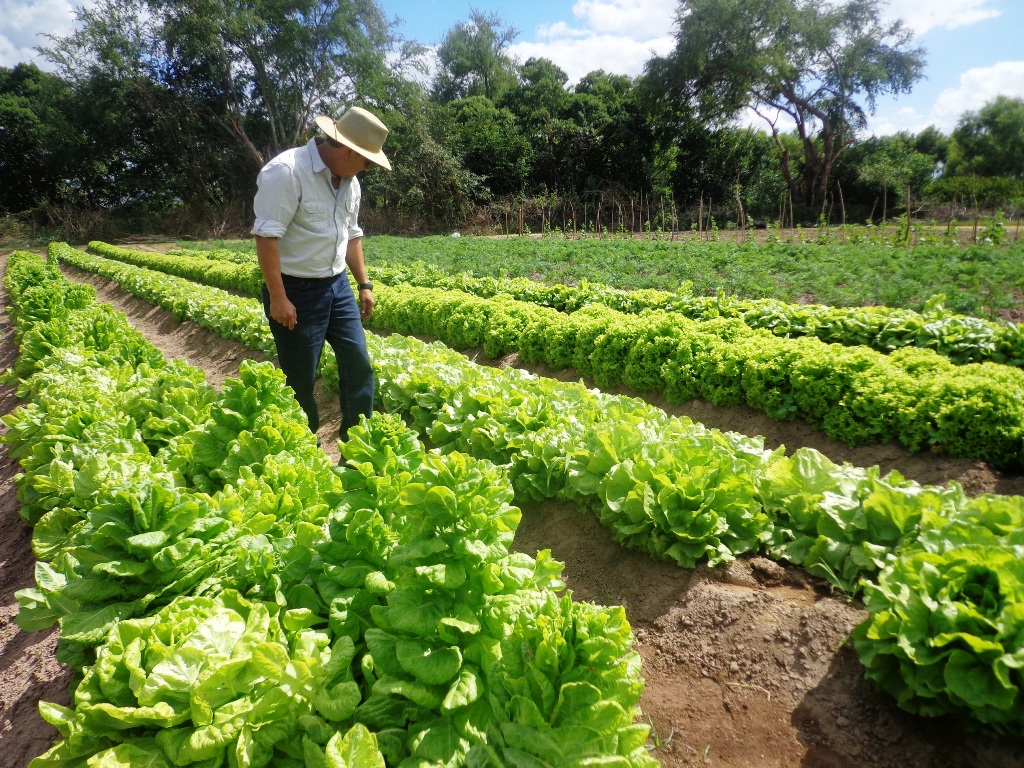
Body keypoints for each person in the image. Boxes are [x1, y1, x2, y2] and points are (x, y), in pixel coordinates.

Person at [251, 106, 392, 442]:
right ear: (345, 149)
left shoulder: (350, 183)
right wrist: (279, 297)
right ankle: (304, 446)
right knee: (300, 378)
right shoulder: (286, 172)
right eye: (366, 161)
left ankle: (358, 449)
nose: (367, 168)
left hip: (337, 284)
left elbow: (351, 235)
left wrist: (364, 284)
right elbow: (267, 235)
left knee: (359, 365)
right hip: (295, 290)